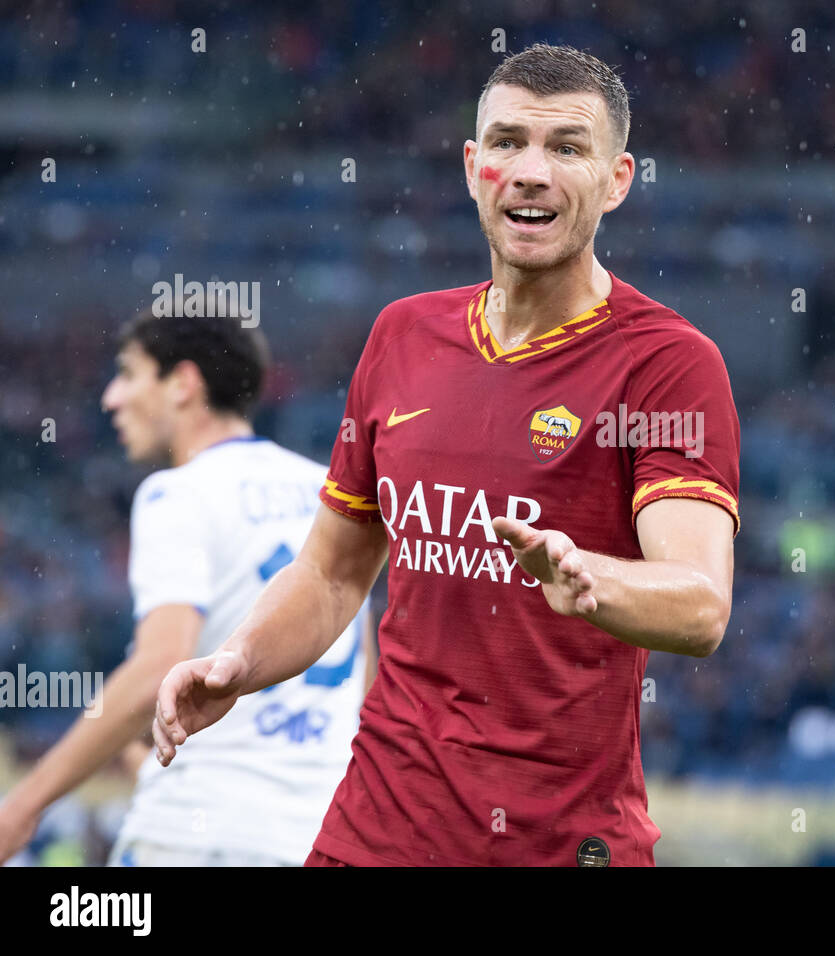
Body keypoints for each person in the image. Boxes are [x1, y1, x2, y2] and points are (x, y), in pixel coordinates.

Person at [152, 43, 741, 867]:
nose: (530, 171)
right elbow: (332, 574)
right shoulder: (403, 334)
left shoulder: (668, 363)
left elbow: (702, 605)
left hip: (556, 841)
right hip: (375, 829)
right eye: (507, 143)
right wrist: (238, 661)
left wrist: (589, 577)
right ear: (473, 167)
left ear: (617, 180)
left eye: (567, 148)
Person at [0, 308, 373, 866]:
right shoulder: (328, 489)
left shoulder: (177, 493)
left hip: (194, 835)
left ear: (183, 384)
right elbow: (363, 678)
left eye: (128, 373)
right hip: (311, 838)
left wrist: (23, 806)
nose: (112, 398)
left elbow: (159, 667)